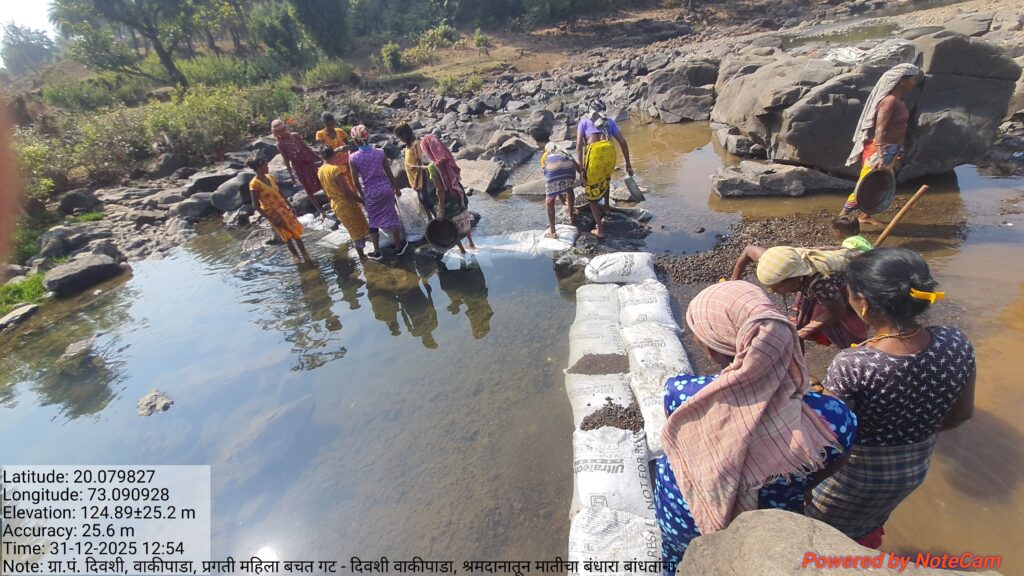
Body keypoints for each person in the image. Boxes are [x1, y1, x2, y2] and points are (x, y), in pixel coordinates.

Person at [656, 281, 856, 570]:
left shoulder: (681, 393)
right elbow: (831, 463)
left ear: (712, 350)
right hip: (767, 531)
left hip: (684, 516)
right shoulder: (832, 417)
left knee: (679, 563)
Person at [807, 248, 975, 548]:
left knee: (822, 537)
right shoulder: (955, 341)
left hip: (856, 478)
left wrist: (814, 397)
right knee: (866, 524)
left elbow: (828, 441)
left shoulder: (854, 363)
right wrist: (911, 424)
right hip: (913, 469)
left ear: (864, 303)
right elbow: (961, 415)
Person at [731, 245, 868, 349]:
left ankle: (860, 354)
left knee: (848, 333)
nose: (772, 290)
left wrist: (803, 332)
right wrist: (733, 282)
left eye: (775, 286)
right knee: (797, 327)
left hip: (850, 279)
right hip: (818, 284)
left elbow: (836, 312)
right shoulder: (777, 262)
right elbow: (748, 250)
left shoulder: (821, 286)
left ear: (794, 278)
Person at [840, 64, 920, 225]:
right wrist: (881, 156)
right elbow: (880, 129)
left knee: (879, 183)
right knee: (865, 184)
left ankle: (865, 216)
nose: (914, 83)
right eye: (912, 79)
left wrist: (900, 149)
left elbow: (901, 128)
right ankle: (841, 217)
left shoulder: (899, 102)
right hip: (879, 150)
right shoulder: (889, 101)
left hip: (892, 149)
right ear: (901, 81)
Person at [575, 99, 633, 238]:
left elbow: (578, 145)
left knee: (592, 197)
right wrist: (628, 165)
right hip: (609, 152)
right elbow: (623, 142)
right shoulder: (610, 122)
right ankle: (606, 208)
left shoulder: (584, 122)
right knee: (605, 179)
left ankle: (600, 230)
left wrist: (581, 168)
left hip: (595, 154)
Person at [348, 125, 407, 260]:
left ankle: (376, 251)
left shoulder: (353, 158)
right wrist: (396, 188)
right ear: (367, 137)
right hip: (385, 189)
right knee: (392, 216)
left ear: (355, 141)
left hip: (369, 191)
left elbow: (356, 182)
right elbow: (389, 172)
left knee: (373, 221)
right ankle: (398, 247)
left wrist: (362, 197)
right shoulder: (379, 153)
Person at [246, 154, 314, 264]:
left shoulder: (271, 177)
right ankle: (296, 258)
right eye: (265, 166)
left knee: (296, 233)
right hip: (273, 214)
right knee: (286, 237)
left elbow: (280, 193)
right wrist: (268, 216)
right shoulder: (254, 184)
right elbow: (255, 204)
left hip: (284, 209)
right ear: (258, 169)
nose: (268, 167)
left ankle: (306, 256)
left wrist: (290, 205)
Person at [421, 133, 476, 254]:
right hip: (458, 192)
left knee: (451, 225)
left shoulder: (432, 167)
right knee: (464, 217)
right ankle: (471, 243)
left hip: (448, 199)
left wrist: (440, 209)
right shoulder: (447, 158)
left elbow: (439, 189)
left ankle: (462, 250)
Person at [317, 145, 370, 259]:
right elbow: (347, 192)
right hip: (346, 204)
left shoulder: (321, 170)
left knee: (354, 230)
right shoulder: (335, 169)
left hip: (335, 204)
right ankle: (362, 257)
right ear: (334, 155)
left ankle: (363, 256)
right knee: (356, 232)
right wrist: (362, 200)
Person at [271, 118, 326, 220]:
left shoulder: (295, 136)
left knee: (322, 182)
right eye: (279, 131)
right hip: (299, 168)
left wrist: (319, 158)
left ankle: (332, 200)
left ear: (285, 128)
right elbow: (286, 160)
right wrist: (291, 174)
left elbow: (307, 148)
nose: (282, 132)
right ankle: (320, 211)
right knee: (308, 190)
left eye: (283, 129)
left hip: (309, 163)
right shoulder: (280, 144)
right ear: (276, 133)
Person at [394, 122, 437, 218]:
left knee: (424, 198)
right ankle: (430, 218)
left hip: (419, 175)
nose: (400, 140)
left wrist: (417, 180)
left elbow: (419, 162)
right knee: (419, 199)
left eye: (400, 137)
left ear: (405, 134)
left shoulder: (415, 144)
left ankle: (437, 216)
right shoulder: (407, 146)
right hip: (412, 176)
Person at [540, 141, 578, 239]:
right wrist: (582, 174)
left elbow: (548, 174)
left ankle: (553, 232)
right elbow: (576, 165)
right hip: (569, 167)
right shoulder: (564, 151)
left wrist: (559, 195)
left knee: (550, 203)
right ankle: (571, 216)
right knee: (570, 189)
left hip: (553, 170)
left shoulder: (545, 155)